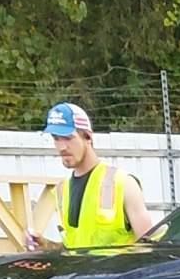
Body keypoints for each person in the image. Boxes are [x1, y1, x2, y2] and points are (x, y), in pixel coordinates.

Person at [29, 102, 158, 250]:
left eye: (68, 138)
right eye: (56, 138)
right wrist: (47, 245)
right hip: (82, 273)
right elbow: (75, 248)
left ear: (88, 137)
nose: (62, 147)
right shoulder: (61, 191)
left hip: (118, 273)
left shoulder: (122, 183)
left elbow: (151, 249)